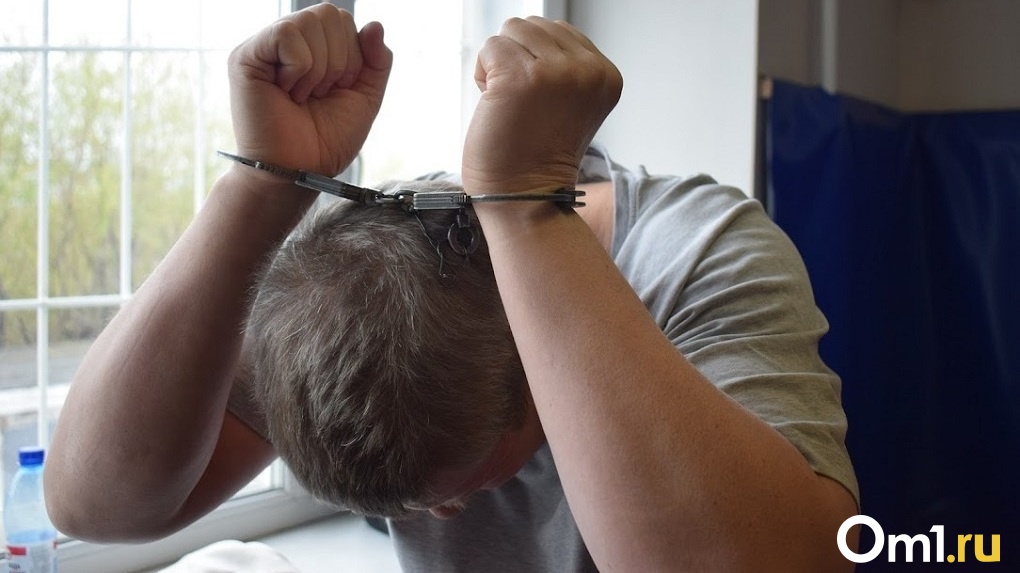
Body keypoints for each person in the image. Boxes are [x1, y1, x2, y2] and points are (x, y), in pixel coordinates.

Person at [44, 4, 860, 572]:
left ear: (531, 349)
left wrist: (528, 214)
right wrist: (262, 183)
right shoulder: (354, 276)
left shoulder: (695, 250)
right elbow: (93, 503)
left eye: (464, 488)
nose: (438, 519)